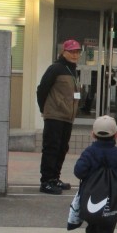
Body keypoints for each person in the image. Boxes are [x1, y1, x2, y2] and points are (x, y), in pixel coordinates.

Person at [36, 39, 82, 195]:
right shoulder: (55, 68)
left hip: (67, 116)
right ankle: (46, 181)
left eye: (77, 52)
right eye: (72, 51)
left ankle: (55, 178)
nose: (75, 55)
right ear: (64, 52)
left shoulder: (72, 70)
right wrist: (44, 109)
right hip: (55, 115)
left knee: (62, 148)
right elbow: (42, 89)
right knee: (52, 148)